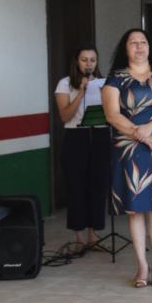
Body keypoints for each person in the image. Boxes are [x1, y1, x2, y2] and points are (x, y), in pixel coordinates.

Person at [101, 29, 152, 288]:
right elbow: (113, 115)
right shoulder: (115, 79)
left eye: (143, 42)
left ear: (150, 47)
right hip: (129, 148)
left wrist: (150, 128)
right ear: (125, 48)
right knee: (135, 210)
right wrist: (141, 134)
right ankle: (142, 267)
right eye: (133, 43)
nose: (139, 47)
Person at [54, 46, 110, 250]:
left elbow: (113, 111)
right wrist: (81, 92)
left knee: (98, 184)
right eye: (84, 59)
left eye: (92, 60)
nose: (88, 64)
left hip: (100, 135)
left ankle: (94, 234)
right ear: (76, 61)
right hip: (75, 136)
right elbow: (65, 116)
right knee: (76, 184)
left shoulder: (104, 83)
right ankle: (78, 235)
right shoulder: (65, 83)